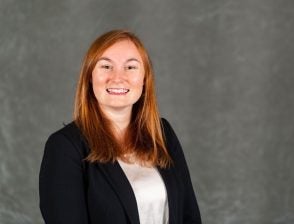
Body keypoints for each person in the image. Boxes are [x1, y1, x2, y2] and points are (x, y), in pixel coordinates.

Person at [39, 30, 202, 224]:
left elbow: (189, 215)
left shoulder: (162, 133)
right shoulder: (65, 147)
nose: (118, 77)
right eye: (106, 66)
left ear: (144, 79)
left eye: (130, 67)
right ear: (89, 77)